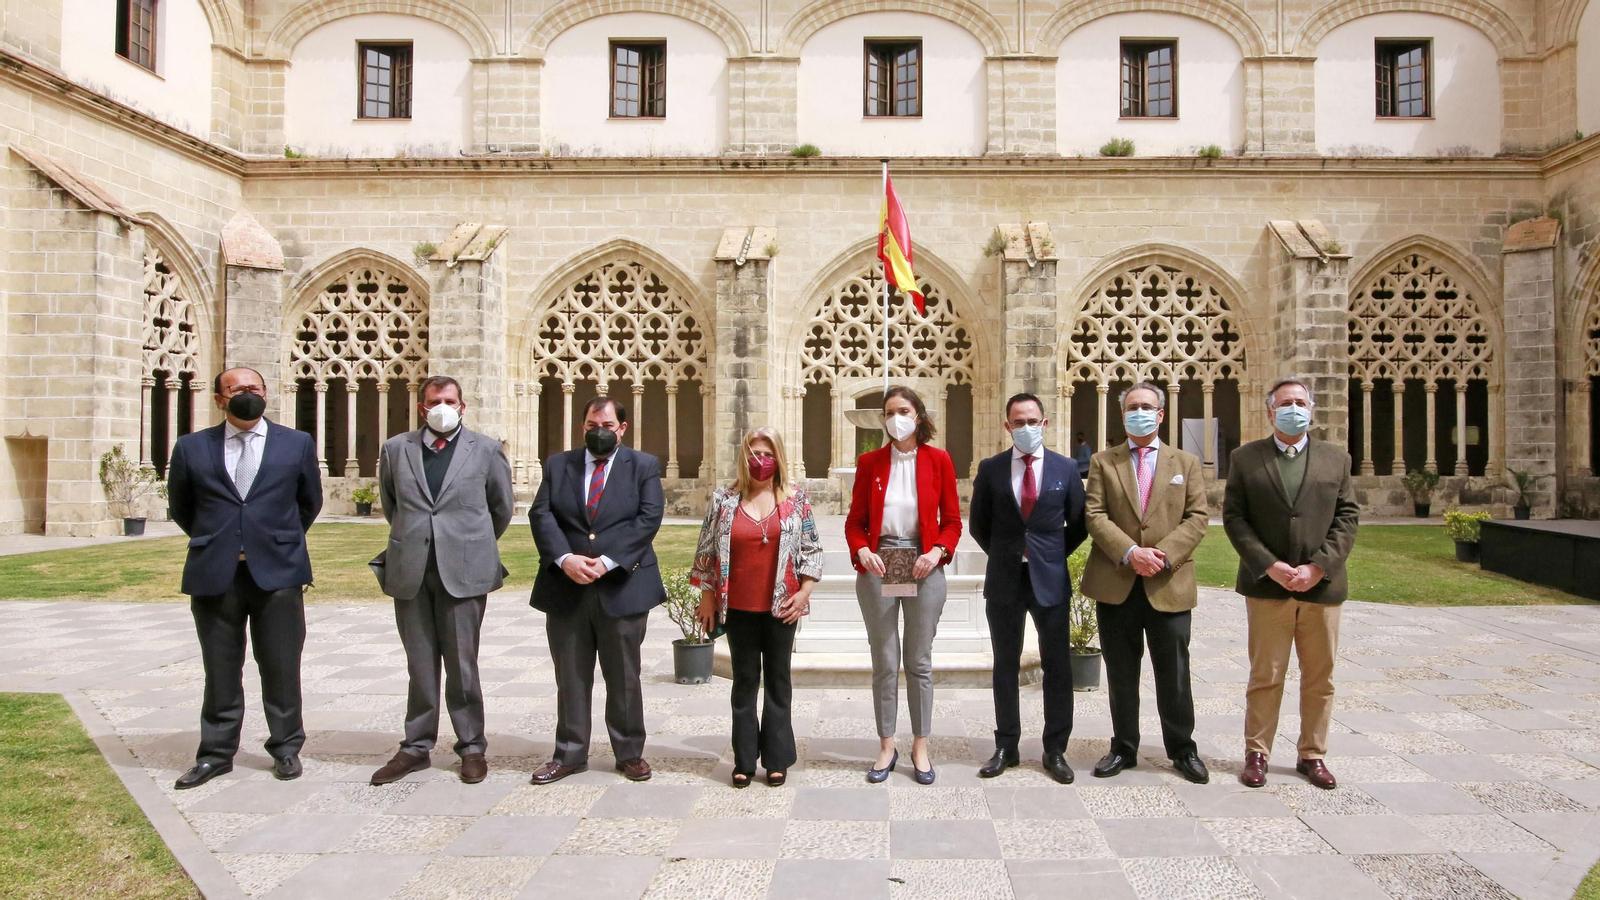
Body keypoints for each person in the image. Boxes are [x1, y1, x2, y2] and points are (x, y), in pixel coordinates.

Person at [166, 367, 322, 789]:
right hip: (215, 571)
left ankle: (286, 748)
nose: (247, 394)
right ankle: (216, 754)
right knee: (219, 668)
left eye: (254, 387)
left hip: (278, 572)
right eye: (236, 388)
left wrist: (269, 541)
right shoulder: (191, 447)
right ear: (219, 398)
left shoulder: (297, 443)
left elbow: (309, 502)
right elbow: (182, 507)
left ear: (266, 393)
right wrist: (220, 540)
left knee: (281, 665)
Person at [368, 375, 514, 787]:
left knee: (462, 664)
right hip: (411, 568)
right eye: (435, 400)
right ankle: (416, 746)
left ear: (463, 406)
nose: (443, 406)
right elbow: (391, 504)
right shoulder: (396, 449)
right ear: (422, 408)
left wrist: (464, 545)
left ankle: (471, 746)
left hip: (463, 572)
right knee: (419, 663)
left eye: (450, 400)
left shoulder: (485, 450)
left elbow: (500, 509)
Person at [1224, 377, 1359, 790]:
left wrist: (1318, 567)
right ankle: (1257, 753)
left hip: (1322, 587)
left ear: (1311, 410)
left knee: (1320, 676)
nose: (1294, 409)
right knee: (1266, 674)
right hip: (1268, 586)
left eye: (1301, 402)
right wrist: (1270, 565)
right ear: (1270, 411)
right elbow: (1235, 518)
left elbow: (1347, 517)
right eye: (1286, 403)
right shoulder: (1246, 458)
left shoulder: (1337, 460)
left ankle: (1312, 754)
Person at [528, 396, 665, 784]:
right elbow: (541, 514)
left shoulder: (643, 466)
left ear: (622, 428)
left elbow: (648, 517)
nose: (598, 432)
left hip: (622, 586)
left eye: (606, 426)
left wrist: (606, 562)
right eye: (591, 425)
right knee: (570, 675)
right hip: (566, 586)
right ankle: (570, 753)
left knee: (624, 675)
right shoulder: (559, 464)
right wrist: (565, 558)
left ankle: (629, 753)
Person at [1081, 382, 1211, 784]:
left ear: (1161, 414)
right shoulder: (1105, 462)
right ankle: (1124, 747)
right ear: (1123, 416)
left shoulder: (1186, 462)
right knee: (1121, 672)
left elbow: (1198, 517)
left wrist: (1163, 555)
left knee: (1174, 672)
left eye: (1147, 407)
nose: (1140, 412)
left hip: (1168, 581)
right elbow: (1095, 514)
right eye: (1132, 407)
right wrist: (1130, 552)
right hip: (1117, 581)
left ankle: (1182, 750)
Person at [690, 427, 823, 787]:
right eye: (753, 453)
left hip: (782, 607)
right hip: (738, 608)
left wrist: (805, 592)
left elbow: (812, 550)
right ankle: (744, 759)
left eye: (766, 454)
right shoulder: (723, 499)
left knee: (779, 681)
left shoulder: (796, 500)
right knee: (745, 683)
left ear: (777, 457)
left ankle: (777, 758)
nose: (759, 461)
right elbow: (706, 551)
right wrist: (707, 597)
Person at [845, 385, 962, 784]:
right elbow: (855, 521)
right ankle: (886, 744)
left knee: (919, 661)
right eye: (890, 411)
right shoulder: (870, 463)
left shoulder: (939, 460)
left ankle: (921, 746)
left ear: (919, 415)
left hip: (923, 562)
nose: (897, 417)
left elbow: (952, 521)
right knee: (884, 661)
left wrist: (938, 552)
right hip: (880, 563)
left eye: (904, 409)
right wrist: (861, 551)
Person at [969, 392, 1087, 784]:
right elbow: (978, 525)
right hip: (1004, 580)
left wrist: (1046, 556)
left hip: (1049, 581)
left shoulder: (1066, 468)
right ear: (1007, 427)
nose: (1025, 428)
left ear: (1045, 423)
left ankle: (1055, 749)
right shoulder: (991, 468)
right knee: (1005, 664)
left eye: (1032, 421)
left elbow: (1079, 524)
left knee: (1057, 666)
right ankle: (1007, 745)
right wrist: (1007, 553)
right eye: (1018, 422)